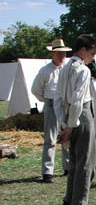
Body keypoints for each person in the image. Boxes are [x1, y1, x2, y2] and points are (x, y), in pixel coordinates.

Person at [54, 34, 96, 205]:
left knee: (74, 162)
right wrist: (71, 126)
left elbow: (58, 99)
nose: (93, 57)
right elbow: (77, 101)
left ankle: (69, 201)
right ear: (82, 50)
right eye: (92, 53)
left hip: (69, 117)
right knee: (86, 163)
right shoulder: (83, 70)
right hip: (80, 116)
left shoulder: (65, 68)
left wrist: (64, 123)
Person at [31, 38, 71, 183]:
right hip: (51, 104)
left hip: (65, 105)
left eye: (64, 54)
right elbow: (35, 89)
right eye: (59, 54)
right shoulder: (45, 71)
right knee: (50, 138)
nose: (62, 56)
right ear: (53, 54)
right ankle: (48, 171)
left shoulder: (67, 68)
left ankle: (68, 166)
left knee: (67, 135)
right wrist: (47, 100)